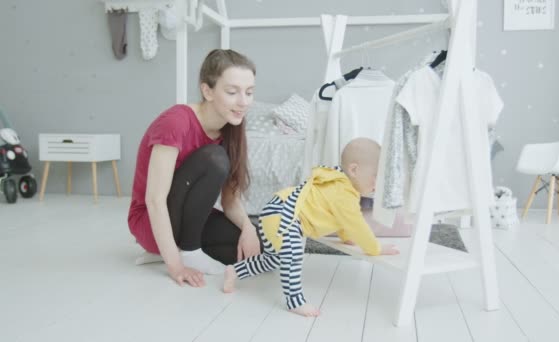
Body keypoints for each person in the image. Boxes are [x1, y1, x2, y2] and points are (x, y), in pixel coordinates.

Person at [128, 49, 261, 288]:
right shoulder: (176, 122)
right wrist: (176, 267)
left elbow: (229, 201)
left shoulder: (233, 127)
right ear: (207, 91)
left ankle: (181, 248)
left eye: (249, 92)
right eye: (232, 92)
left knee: (257, 247)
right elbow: (155, 200)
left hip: (193, 221)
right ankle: (185, 251)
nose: (243, 102)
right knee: (214, 159)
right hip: (151, 220)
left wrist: (249, 228)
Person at [222, 137, 400, 317]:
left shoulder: (339, 183)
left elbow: (344, 220)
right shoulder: (343, 192)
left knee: (273, 259)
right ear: (354, 170)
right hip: (285, 215)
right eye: (376, 176)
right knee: (293, 256)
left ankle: (235, 270)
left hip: (274, 211)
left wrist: (346, 237)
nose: (378, 184)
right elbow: (357, 225)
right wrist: (375, 248)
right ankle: (294, 301)